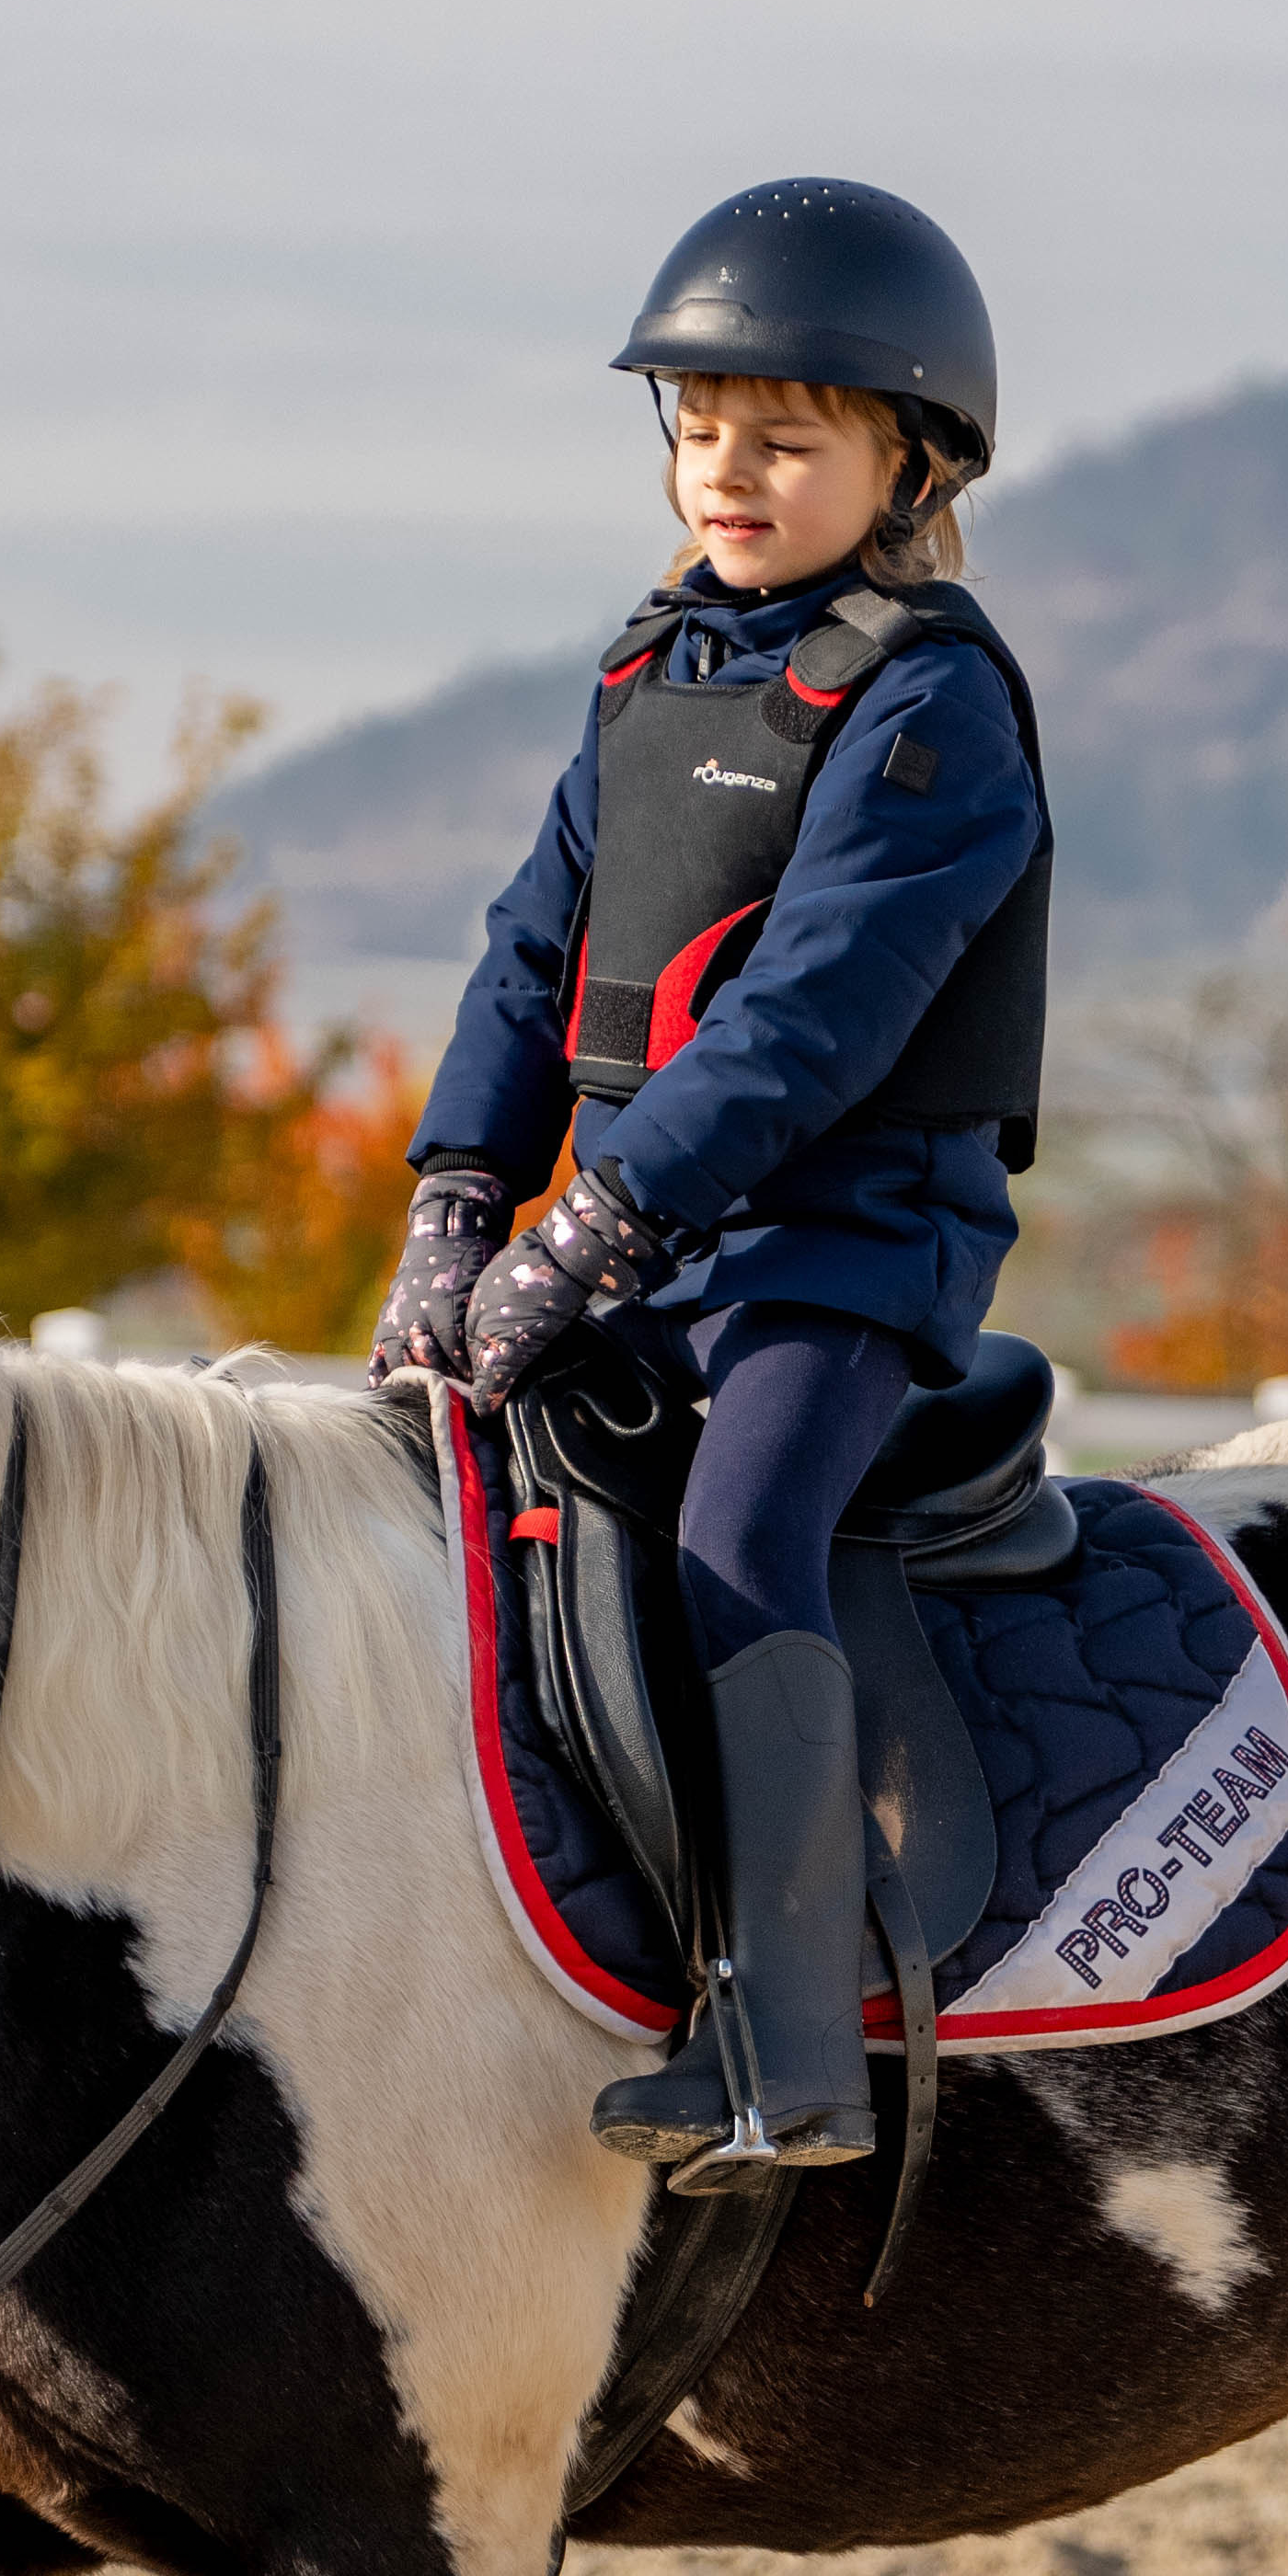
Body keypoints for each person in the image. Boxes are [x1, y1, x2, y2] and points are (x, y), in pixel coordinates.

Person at [378, 175, 1053, 2190]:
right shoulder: (649, 674)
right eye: (698, 427)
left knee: (737, 1541)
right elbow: (530, 951)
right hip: (658, 1245)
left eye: (786, 435)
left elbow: (814, 1024)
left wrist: (594, 1223)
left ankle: (791, 2049)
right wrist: (456, 1199)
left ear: (905, 458)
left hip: (842, 1253)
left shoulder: (932, 701)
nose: (728, 470)